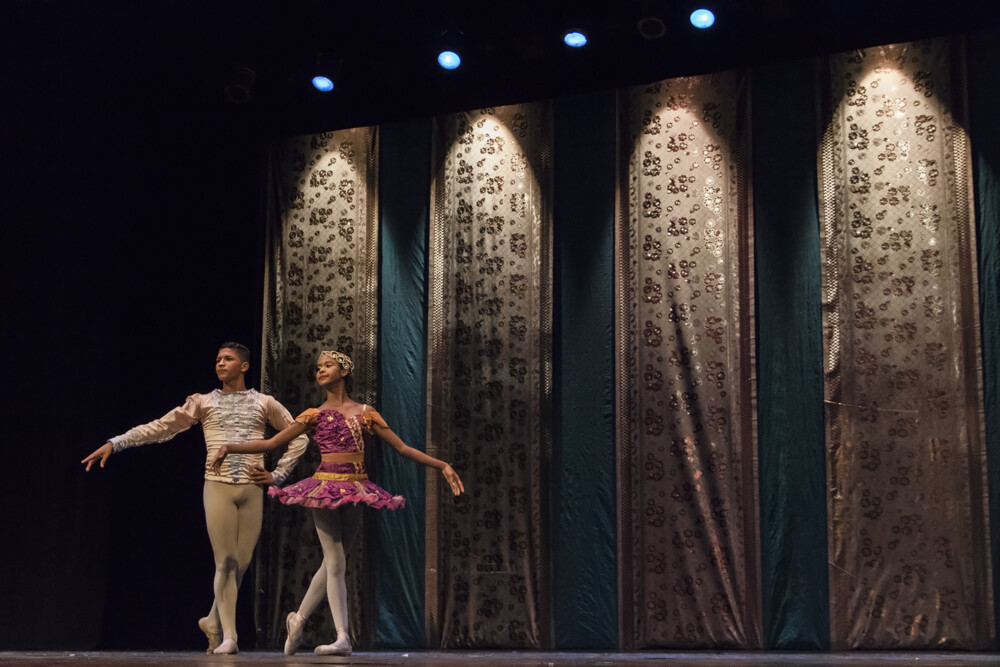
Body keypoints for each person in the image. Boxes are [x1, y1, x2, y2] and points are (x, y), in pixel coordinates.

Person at [211, 349, 464, 656]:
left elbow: (403, 448)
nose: (320, 371)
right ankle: (342, 636)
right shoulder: (312, 415)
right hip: (325, 488)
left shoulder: (365, 413)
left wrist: (442, 465)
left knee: (336, 560)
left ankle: (299, 617)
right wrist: (230, 447)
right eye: (318, 367)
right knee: (336, 562)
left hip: (355, 487)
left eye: (327, 365)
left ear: (343, 371)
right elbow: (270, 443)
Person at [81, 341, 308, 655]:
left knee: (241, 564)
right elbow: (161, 427)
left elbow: (299, 436)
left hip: (252, 487)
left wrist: (278, 474)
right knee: (225, 562)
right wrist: (116, 442)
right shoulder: (203, 402)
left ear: (244, 366)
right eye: (217, 359)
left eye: (228, 359)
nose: (220, 363)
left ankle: (213, 622)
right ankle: (230, 636)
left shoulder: (264, 402)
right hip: (217, 486)